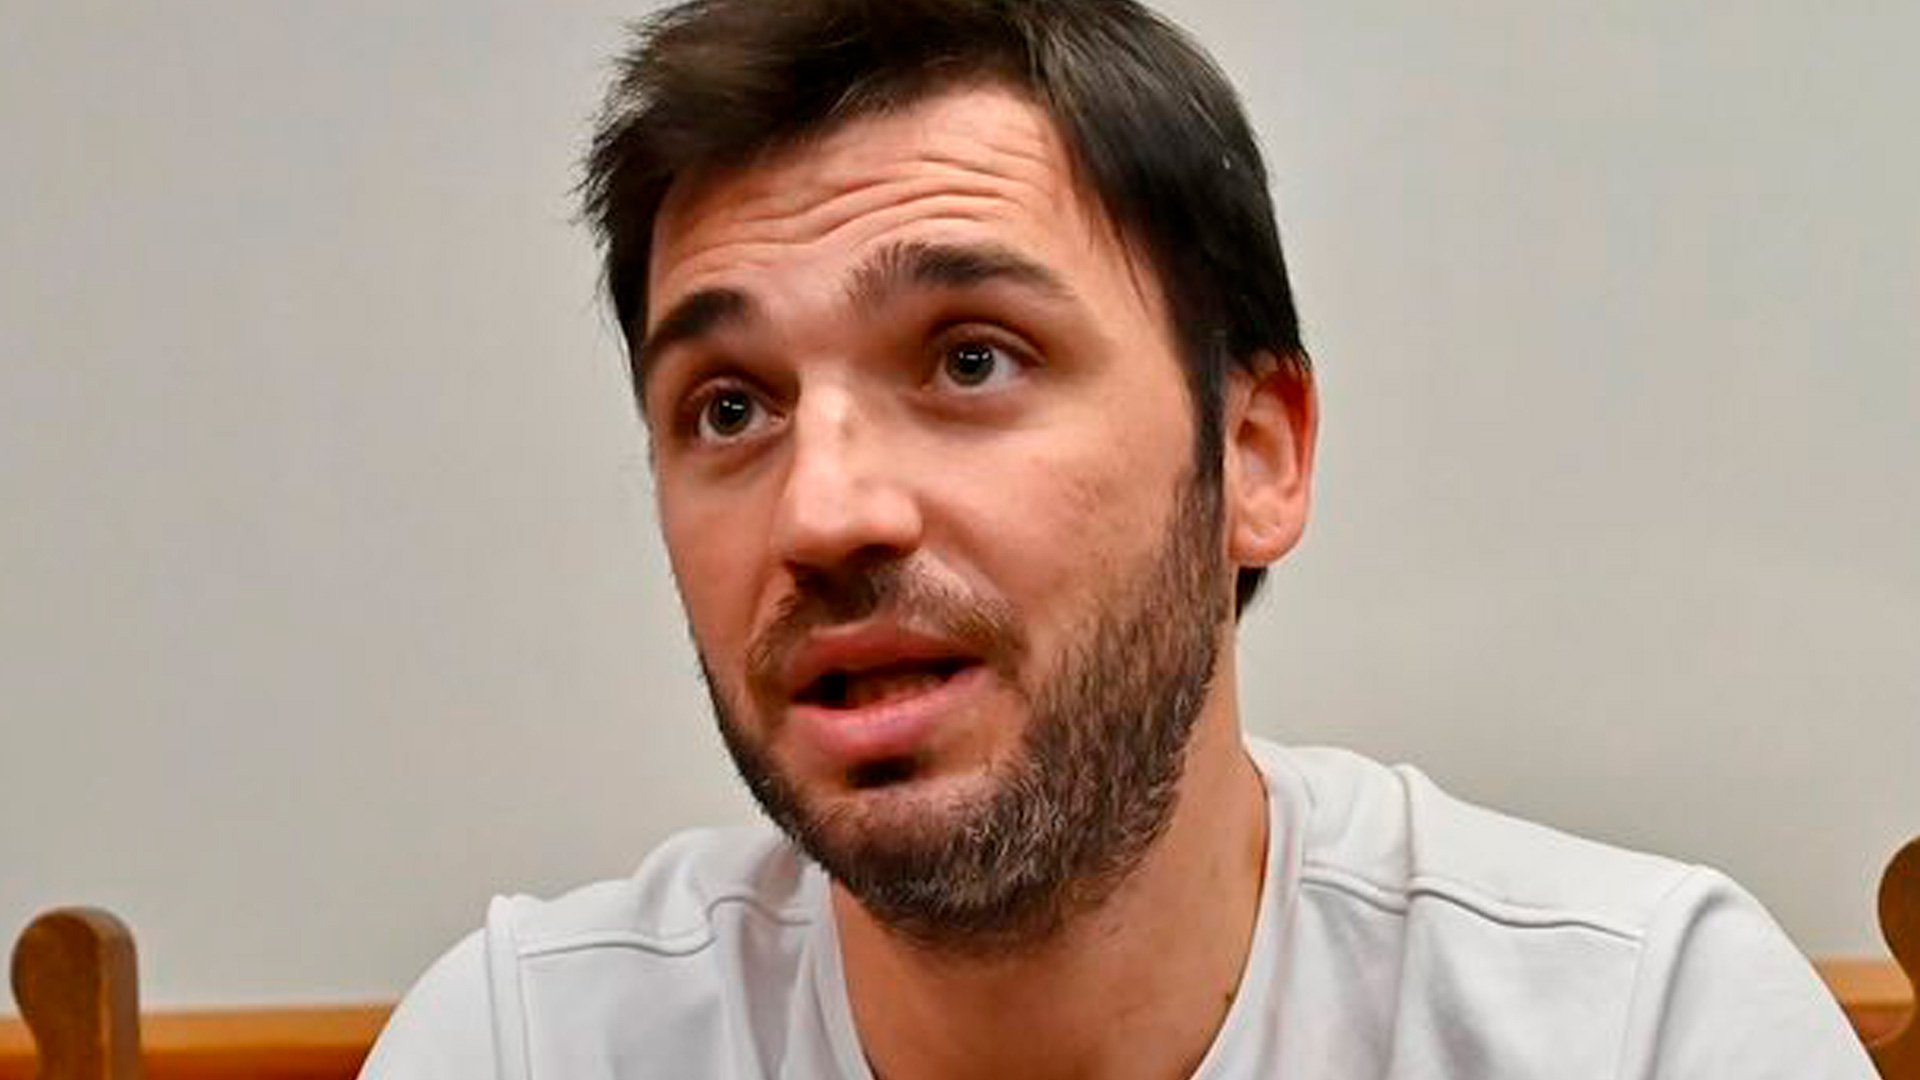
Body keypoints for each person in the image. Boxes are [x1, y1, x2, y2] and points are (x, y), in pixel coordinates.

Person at [360, 0, 1875, 1076]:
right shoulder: (523, 1044)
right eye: (732, 407)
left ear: (1256, 453)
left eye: (971, 359)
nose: (823, 513)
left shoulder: (1644, 1029)